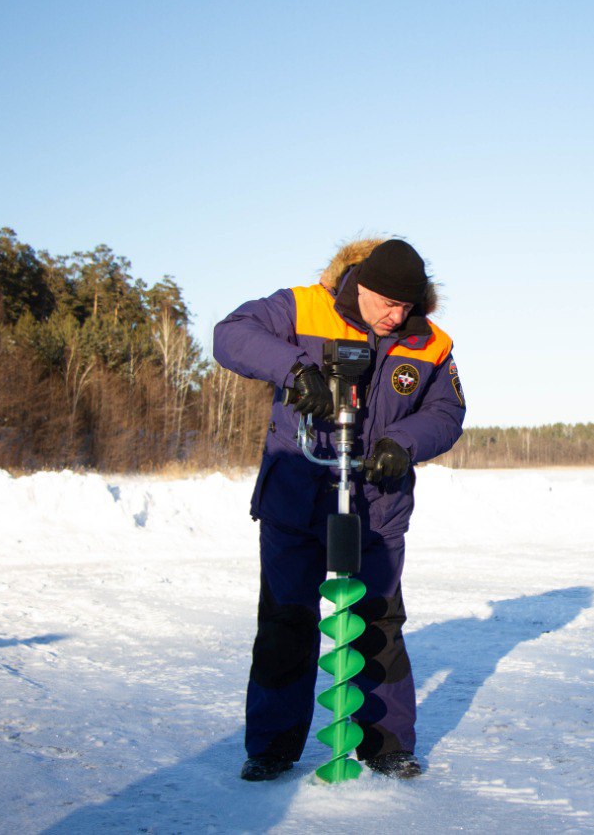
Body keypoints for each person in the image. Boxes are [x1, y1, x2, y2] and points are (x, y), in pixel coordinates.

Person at [214, 237, 466, 781]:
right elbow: (229, 335)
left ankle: (387, 745)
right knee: (287, 620)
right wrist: (294, 369)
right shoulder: (304, 307)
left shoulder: (430, 342)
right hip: (297, 494)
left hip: (377, 502)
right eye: (386, 304)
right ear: (362, 284)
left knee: (377, 623)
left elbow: (447, 411)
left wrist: (403, 442)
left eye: (407, 306)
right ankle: (272, 746)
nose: (395, 317)